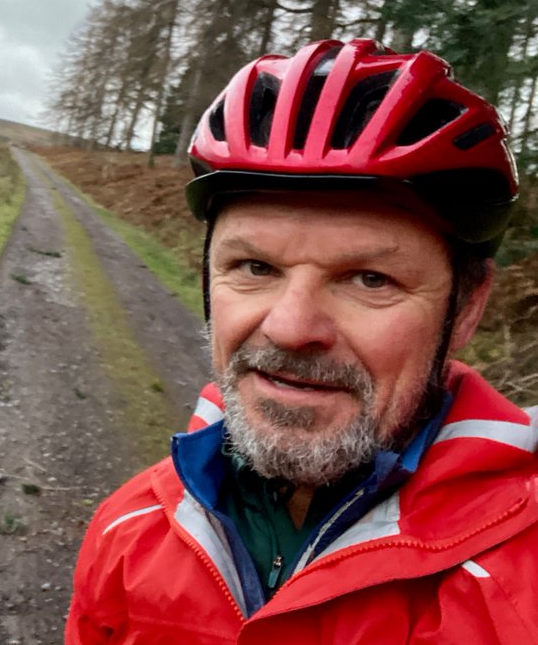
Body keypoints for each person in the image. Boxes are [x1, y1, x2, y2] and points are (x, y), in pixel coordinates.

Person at [66, 38, 538, 644]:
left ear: (466, 307)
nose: (289, 328)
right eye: (256, 267)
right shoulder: (126, 531)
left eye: (370, 279)